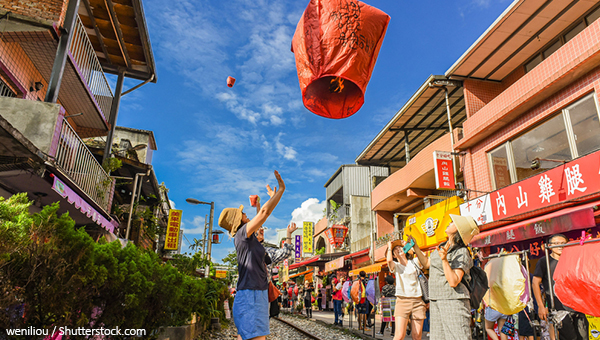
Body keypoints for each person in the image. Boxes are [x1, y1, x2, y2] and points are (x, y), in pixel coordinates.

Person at [218, 170, 285, 340]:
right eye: (242, 213)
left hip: (252, 294)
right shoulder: (242, 233)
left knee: (247, 337)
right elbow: (264, 214)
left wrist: (270, 198)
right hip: (252, 295)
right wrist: (281, 190)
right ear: (237, 220)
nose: (245, 213)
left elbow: (260, 217)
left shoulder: (247, 238)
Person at [411, 214, 480, 340]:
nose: (449, 222)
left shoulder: (462, 252)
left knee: (457, 337)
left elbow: (454, 281)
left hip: (453, 300)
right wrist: (415, 247)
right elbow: (427, 263)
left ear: (459, 230)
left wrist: (444, 260)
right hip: (435, 299)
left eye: (453, 222)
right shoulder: (443, 245)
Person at [532, 234, 584, 340]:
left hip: (578, 305)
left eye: (563, 243)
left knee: (583, 336)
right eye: (556, 244)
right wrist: (541, 306)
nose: (560, 246)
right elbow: (535, 283)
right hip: (559, 307)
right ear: (549, 246)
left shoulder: (572, 260)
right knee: (570, 337)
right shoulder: (544, 261)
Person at [386, 239, 427, 340]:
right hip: (402, 301)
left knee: (417, 336)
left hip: (418, 301)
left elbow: (424, 256)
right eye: (395, 249)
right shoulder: (396, 266)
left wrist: (410, 246)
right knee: (399, 335)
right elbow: (389, 261)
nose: (398, 249)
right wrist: (389, 247)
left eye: (400, 247)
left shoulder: (414, 262)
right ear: (394, 255)